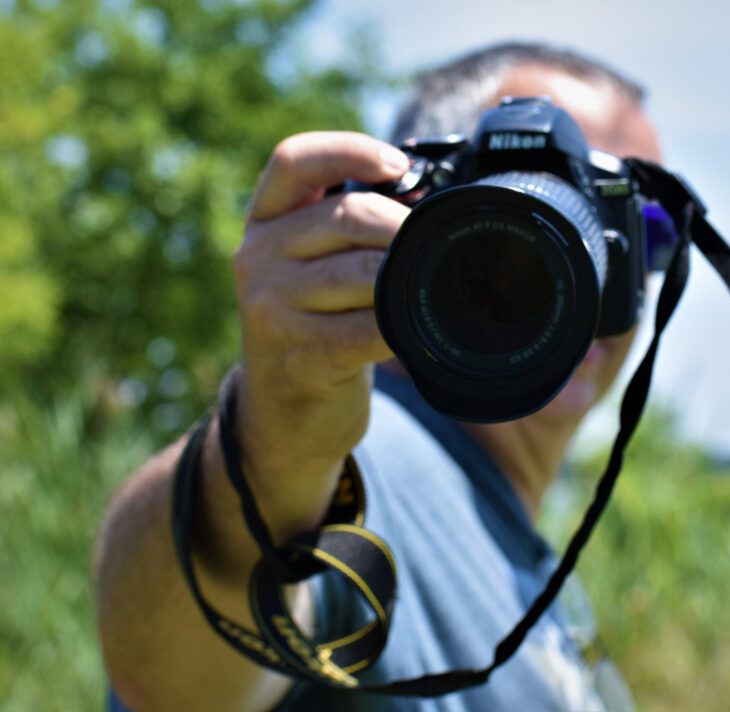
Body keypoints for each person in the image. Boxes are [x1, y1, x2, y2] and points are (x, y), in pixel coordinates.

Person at [94, 41, 663, 711]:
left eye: (643, 231)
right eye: (518, 229)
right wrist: (277, 438)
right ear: (413, 206)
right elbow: (170, 683)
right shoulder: (361, 460)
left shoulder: (508, 538)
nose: (583, 271)